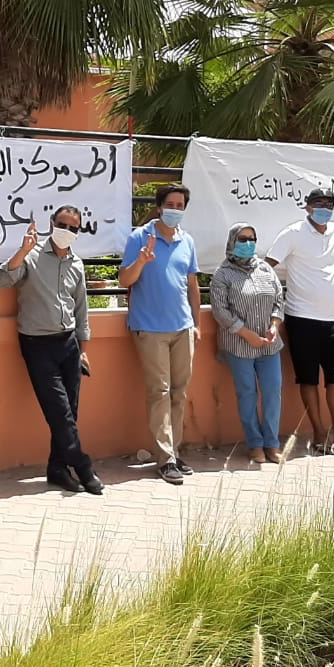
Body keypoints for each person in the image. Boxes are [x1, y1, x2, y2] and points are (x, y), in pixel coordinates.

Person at [0, 206, 103, 495]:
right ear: (52, 223)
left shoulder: (76, 264)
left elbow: (81, 309)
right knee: (58, 411)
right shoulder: (31, 255)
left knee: (70, 411)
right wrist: (22, 250)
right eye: (62, 224)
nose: (67, 230)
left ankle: (57, 468)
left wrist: (83, 349)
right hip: (37, 343)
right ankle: (83, 465)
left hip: (69, 344)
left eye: (73, 227)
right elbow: (1, 281)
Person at [265, 187, 334, 457]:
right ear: (308, 207)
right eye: (319, 204)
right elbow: (267, 265)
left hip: (332, 319)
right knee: (308, 378)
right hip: (301, 317)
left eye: (329, 204)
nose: (324, 209)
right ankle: (319, 433)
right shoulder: (293, 233)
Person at [119, 183, 202, 485]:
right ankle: (165, 459)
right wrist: (141, 261)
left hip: (182, 327)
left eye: (180, 206)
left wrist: (196, 323)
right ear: (159, 207)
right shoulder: (139, 238)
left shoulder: (187, 241)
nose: (175, 210)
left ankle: (174, 452)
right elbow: (124, 279)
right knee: (160, 392)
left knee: (179, 393)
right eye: (171, 205)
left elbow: (192, 285)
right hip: (150, 328)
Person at [209, 222, 285, 465]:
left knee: (273, 391)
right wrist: (245, 333)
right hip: (239, 345)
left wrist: (274, 325)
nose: (248, 243)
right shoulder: (222, 274)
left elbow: (279, 299)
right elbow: (220, 311)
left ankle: (272, 443)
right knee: (247, 394)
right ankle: (255, 444)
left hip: (269, 344)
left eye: (252, 238)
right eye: (242, 239)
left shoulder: (265, 268)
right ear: (232, 241)